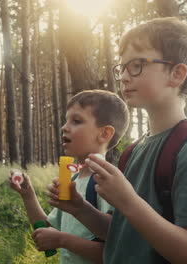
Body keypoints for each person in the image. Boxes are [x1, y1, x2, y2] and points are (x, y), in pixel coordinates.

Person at [47, 17, 187, 264]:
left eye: (137, 65)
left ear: (177, 74)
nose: (124, 77)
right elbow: (124, 234)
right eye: (121, 68)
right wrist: (80, 209)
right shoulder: (134, 151)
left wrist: (127, 200)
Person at [9, 90, 129, 264]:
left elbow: (114, 250)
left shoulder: (106, 181)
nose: (64, 127)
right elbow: (49, 228)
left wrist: (62, 240)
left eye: (77, 121)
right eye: (66, 120)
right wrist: (28, 196)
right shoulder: (72, 180)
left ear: (104, 134)